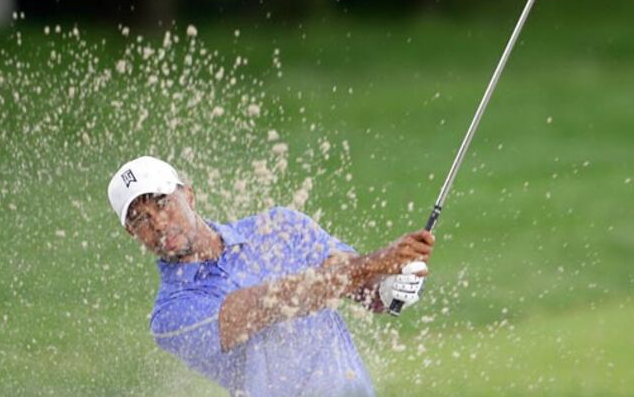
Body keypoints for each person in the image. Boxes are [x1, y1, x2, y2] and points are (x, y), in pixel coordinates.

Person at [107, 156, 435, 397]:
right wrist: (376, 263)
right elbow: (266, 305)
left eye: (163, 203)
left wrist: (390, 287)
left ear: (188, 195)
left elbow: (360, 288)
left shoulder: (280, 226)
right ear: (131, 233)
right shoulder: (171, 315)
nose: (159, 224)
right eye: (141, 219)